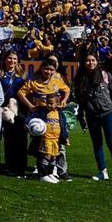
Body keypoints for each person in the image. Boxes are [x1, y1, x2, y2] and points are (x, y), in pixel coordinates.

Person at [17, 55, 69, 184]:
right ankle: (41, 171)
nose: (49, 72)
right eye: (46, 69)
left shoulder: (57, 81)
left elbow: (67, 90)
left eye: (51, 70)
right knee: (41, 146)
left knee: (57, 144)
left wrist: (63, 101)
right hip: (40, 117)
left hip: (55, 117)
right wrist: (30, 105)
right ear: (41, 69)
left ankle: (54, 171)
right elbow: (20, 93)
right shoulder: (34, 82)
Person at [75, 53, 112, 185]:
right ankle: (102, 171)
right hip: (92, 115)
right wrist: (81, 117)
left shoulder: (105, 75)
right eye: (87, 60)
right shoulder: (80, 78)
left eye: (93, 60)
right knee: (97, 144)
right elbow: (80, 101)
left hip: (108, 112)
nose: (90, 63)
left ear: (97, 61)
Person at [0, 51, 29, 176]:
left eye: (15, 59)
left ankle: (21, 166)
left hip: (19, 110)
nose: (12, 61)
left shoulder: (23, 75)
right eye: (9, 58)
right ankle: (9, 165)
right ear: (5, 59)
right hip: (2, 109)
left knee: (20, 138)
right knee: (8, 138)